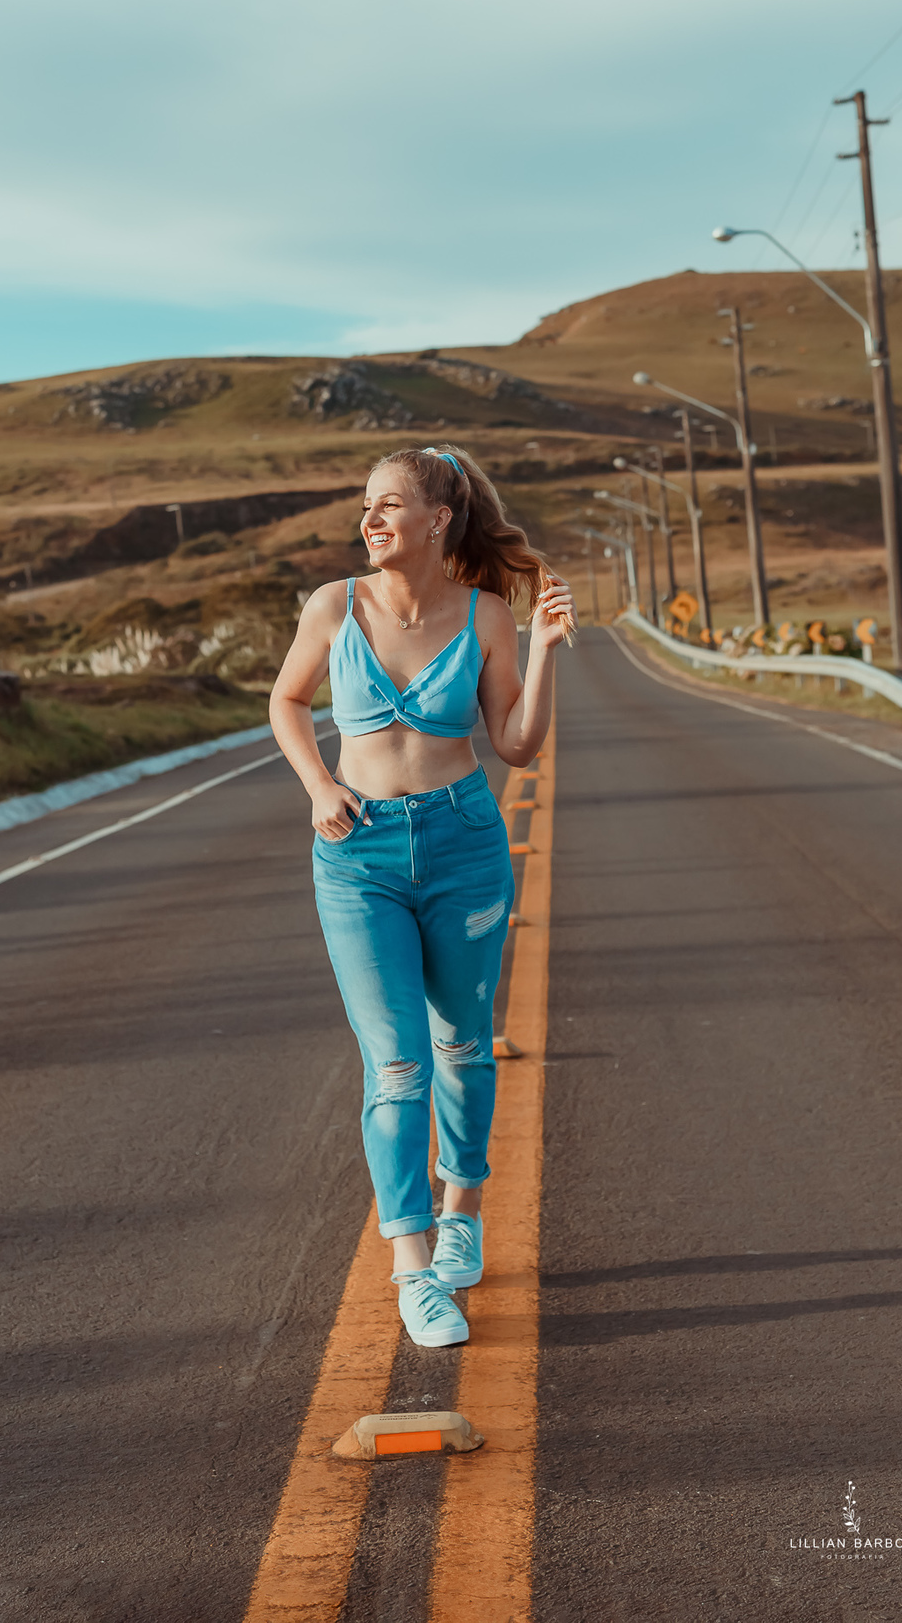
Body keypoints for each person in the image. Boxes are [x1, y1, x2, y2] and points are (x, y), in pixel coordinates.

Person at [269, 445, 575, 1347]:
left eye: (388, 504)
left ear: (439, 518)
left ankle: (462, 1213)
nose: (369, 519)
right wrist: (321, 787)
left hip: (464, 850)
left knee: (461, 1044)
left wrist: (549, 650)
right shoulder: (333, 607)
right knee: (396, 1061)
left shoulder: (486, 616)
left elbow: (516, 744)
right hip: (358, 857)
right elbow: (287, 702)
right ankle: (413, 1266)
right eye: (365, 504)